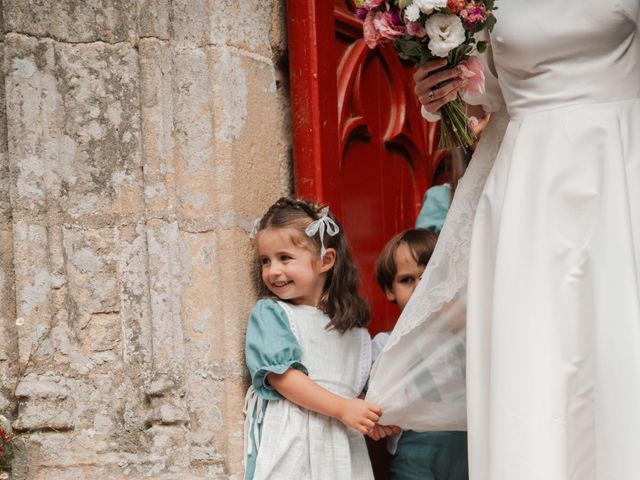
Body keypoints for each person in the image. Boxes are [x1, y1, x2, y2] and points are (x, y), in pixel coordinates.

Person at [368, 2, 640, 480]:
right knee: (534, 351)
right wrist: (439, 93)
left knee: (617, 340)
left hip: (621, 168)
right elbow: (483, 94)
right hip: (528, 190)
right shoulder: (481, 2)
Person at [243, 197, 380, 480]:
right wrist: (343, 408)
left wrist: (372, 417)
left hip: (341, 448)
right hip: (293, 442)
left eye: (285, 258)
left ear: (325, 260)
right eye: (265, 261)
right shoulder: (272, 314)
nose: (273, 271)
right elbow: (283, 378)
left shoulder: (355, 333)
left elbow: (355, 393)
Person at [373, 228, 469, 480]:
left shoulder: (464, 334)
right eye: (407, 280)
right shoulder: (386, 345)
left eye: (430, 279)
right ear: (389, 290)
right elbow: (368, 400)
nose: (421, 289)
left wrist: (462, 323)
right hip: (414, 450)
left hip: (469, 444)